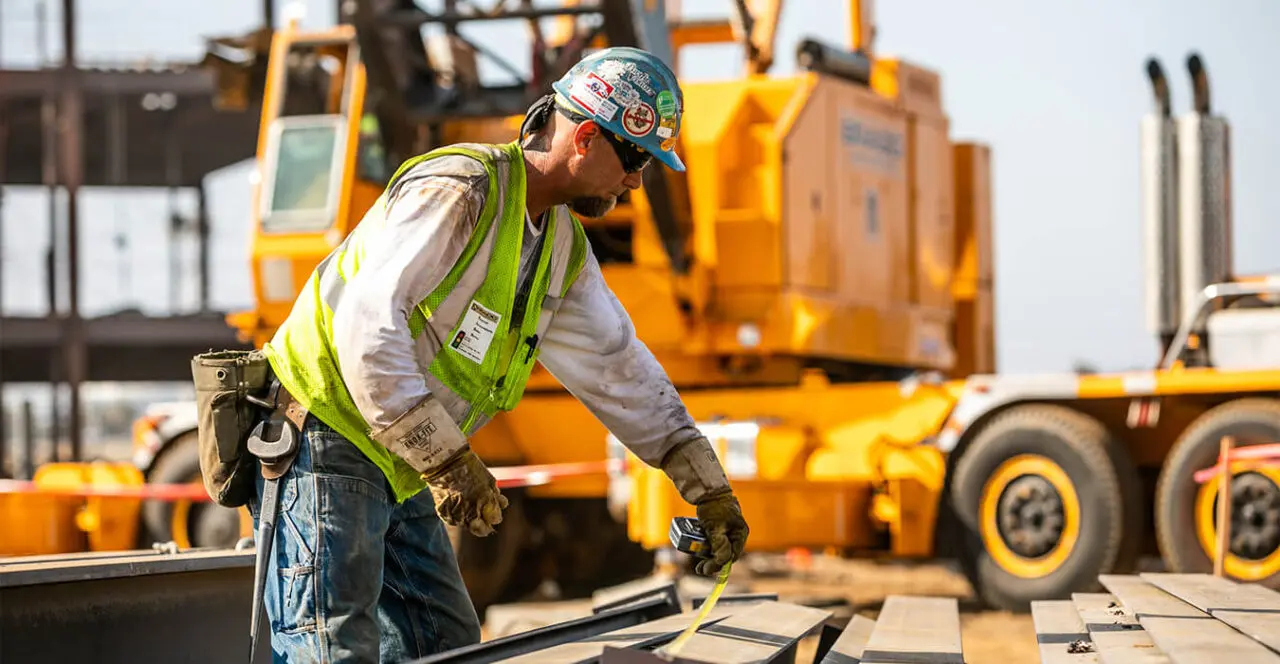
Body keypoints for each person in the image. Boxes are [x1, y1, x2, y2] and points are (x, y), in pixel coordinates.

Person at [248, 46, 750, 663]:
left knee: (445, 645)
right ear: (587, 137)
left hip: (394, 460)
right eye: (636, 157)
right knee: (331, 646)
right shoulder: (462, 190)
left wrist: (704, 485)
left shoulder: (558, 246)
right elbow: (367, 325)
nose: (637, 181)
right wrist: (446, 460)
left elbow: (619, 365)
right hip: (327, 437)